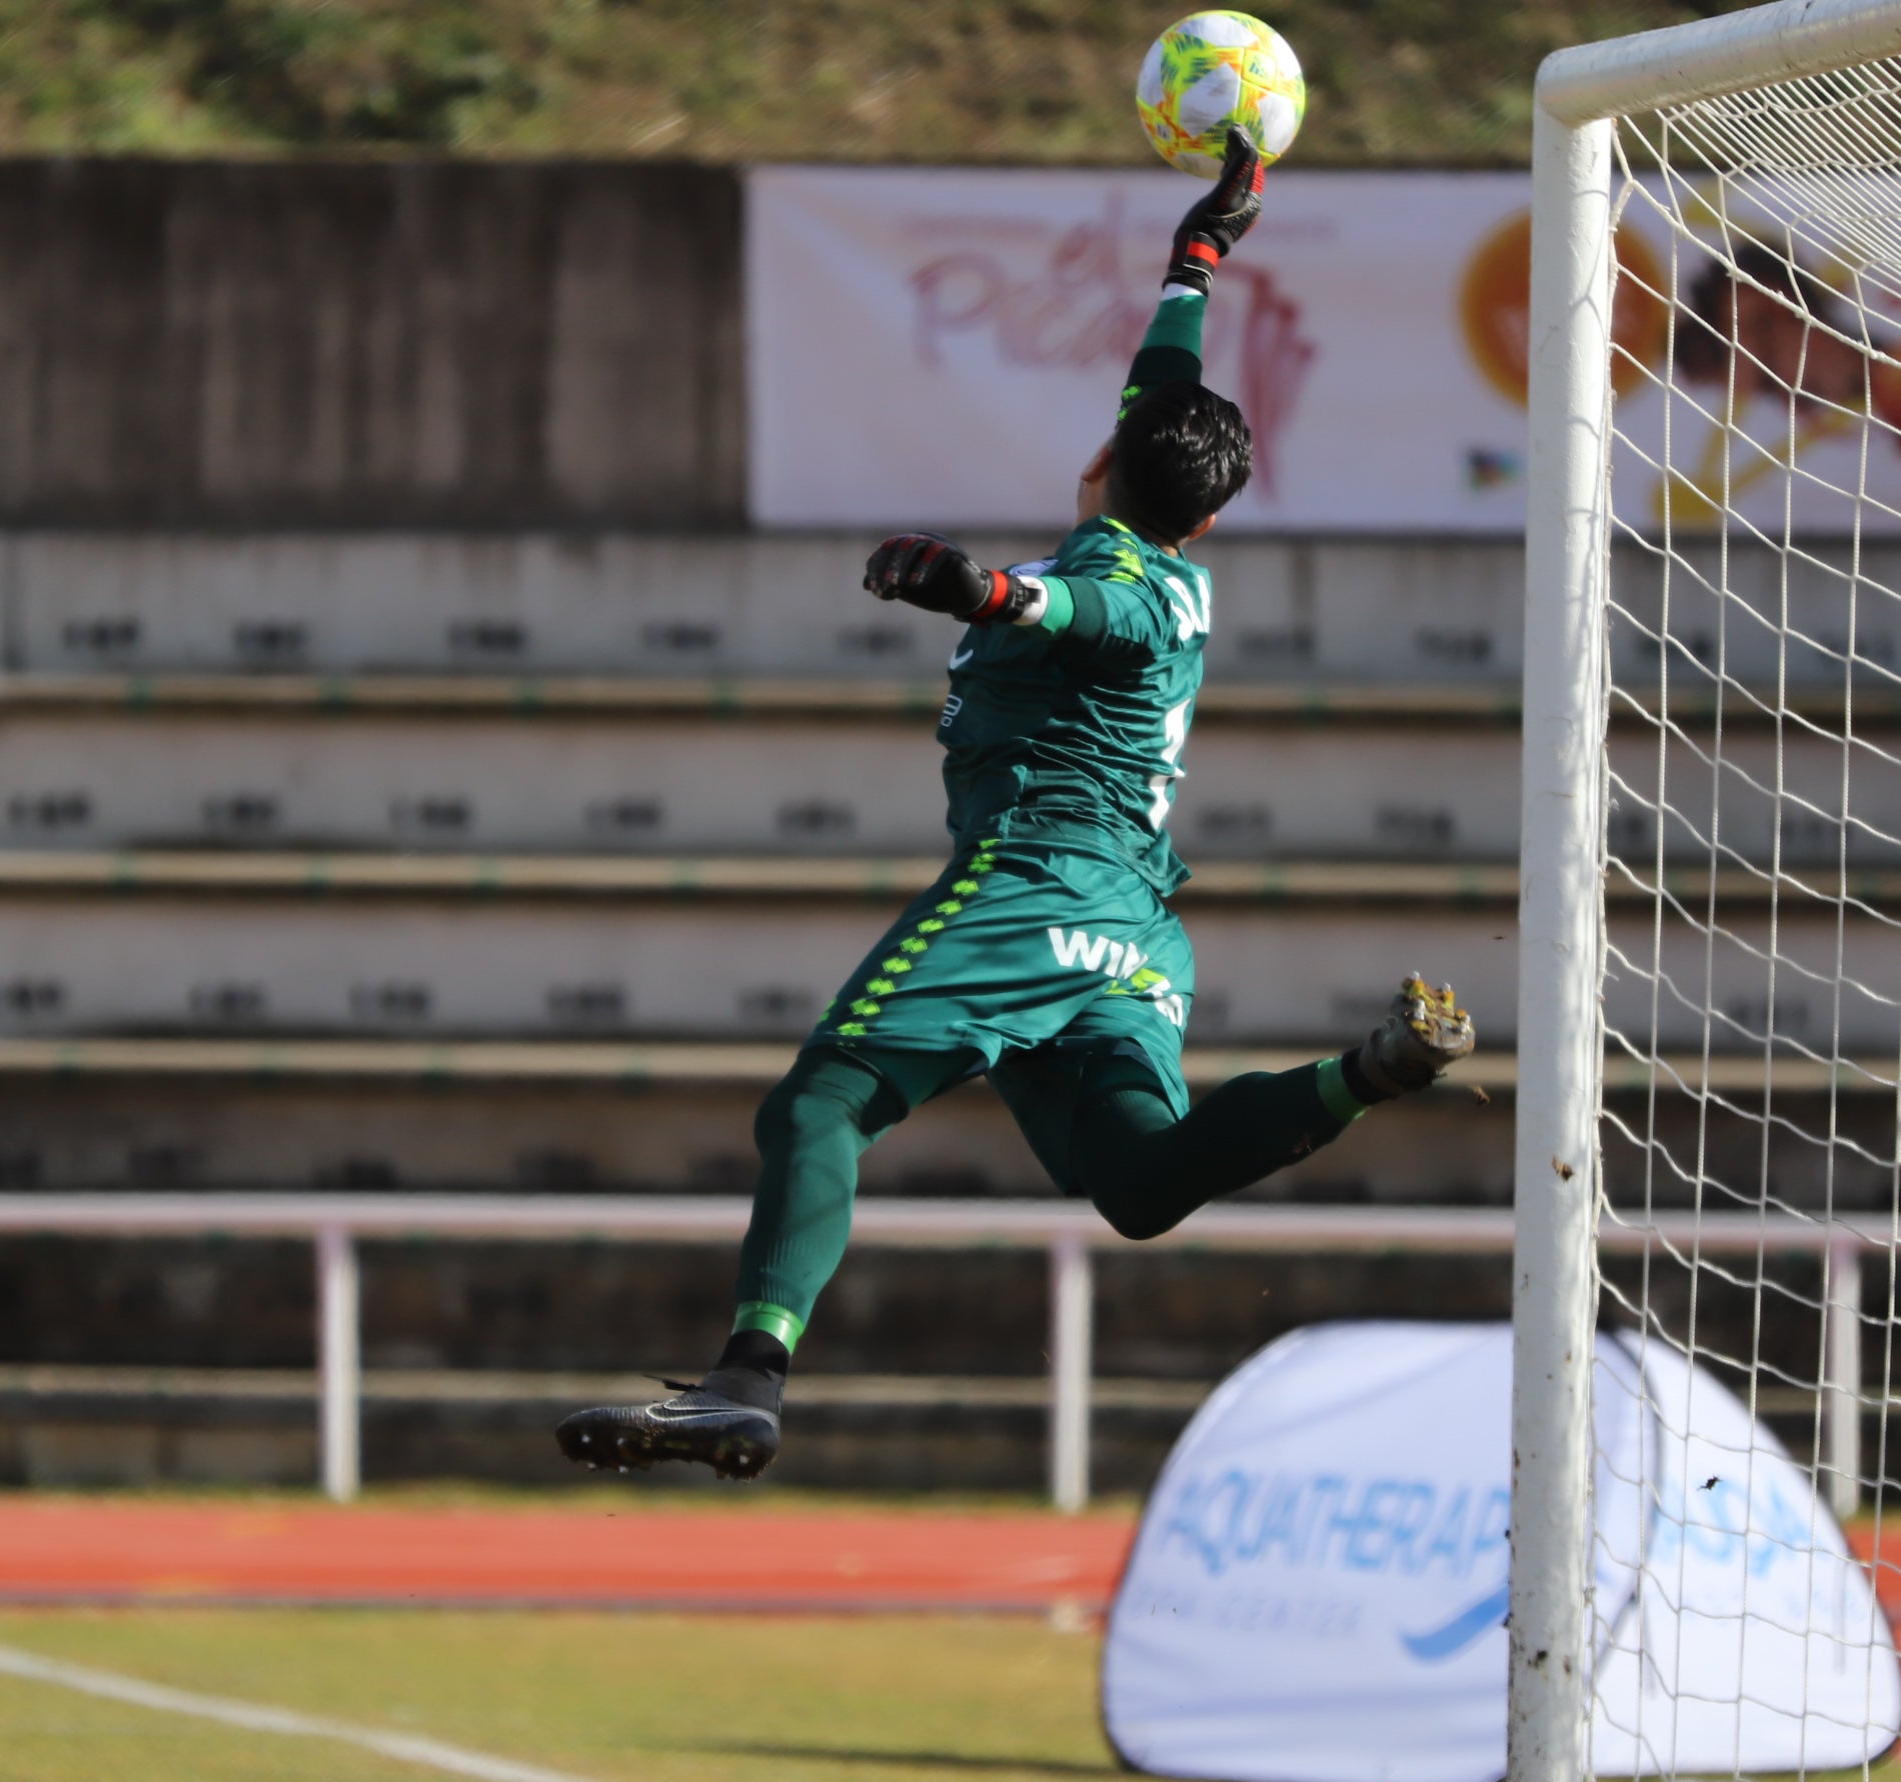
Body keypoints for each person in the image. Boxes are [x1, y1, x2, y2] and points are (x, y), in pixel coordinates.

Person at [554, 134, 1476, 1481]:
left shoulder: (1117, 576)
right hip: (1132, 927)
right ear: (1208, 516)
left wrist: (970, 588)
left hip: (1039, 883)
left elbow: (1070, 611)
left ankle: (748, 1376)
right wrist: (1197, 256)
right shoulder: (1175, 558)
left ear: (1105, 461)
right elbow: (1161, 389)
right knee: (1142, 1183)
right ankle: (1365, 1072)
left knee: (819, 1106)